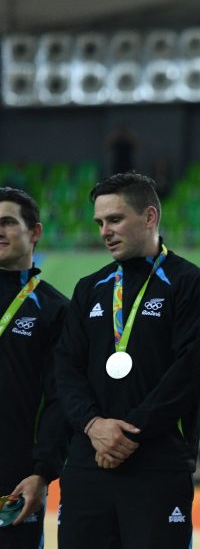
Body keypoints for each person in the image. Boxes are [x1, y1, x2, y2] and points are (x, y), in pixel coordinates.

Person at [55, 172, 200, 548]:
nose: (104, 231)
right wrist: (95, 426)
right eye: (99, 223)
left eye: (115, 219)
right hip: (88, 461)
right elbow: (66, 368)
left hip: (157, 463)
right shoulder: (88, 288)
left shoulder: (191, 284)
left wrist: (127, 434)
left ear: (149, 217)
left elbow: (192, 372)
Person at [0, 188, 69, 549]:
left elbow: (60, 398)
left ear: (35, 232)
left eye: (7, 223)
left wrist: (43, 471)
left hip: (13, 479)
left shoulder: (55, 310)